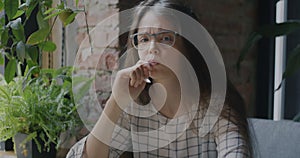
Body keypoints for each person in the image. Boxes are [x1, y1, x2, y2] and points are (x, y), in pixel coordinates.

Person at [67, 0, 252, 157]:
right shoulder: (135, 107)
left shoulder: (217, 109)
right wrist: (116, 102)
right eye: (144, 39)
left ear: (189, 46)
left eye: (165, 39)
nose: (152, 48)